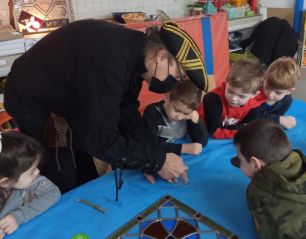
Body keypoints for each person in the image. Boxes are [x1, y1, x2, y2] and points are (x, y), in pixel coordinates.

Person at [4, 20, 209, 192]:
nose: (173, 84)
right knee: (61, 173)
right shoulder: (111, 62)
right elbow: (98, 138)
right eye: (178, 76)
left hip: (70, 94)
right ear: (162, 56)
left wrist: (153, 155)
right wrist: (156, 161)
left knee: (86, 167)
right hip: (32, 96)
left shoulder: (136, 53)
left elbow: (126, 112)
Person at [232, 119, 306, 239]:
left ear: (255, 163)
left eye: (240, 159)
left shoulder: (256, 191)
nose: (238, 162)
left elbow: (266, 233)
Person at [0, 132, 60, 238]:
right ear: (6, 182)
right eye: (31, 172)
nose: (37, 172)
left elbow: (52, 192)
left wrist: (18, 216)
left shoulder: (32, 182)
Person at [198, 59, 266, 139]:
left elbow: (249, 130)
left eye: (241, 96)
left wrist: (242, 130)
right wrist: (240, 129)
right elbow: (212, 130)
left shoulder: (254, 107)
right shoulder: (212, 99)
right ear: (226, 82)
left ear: (254, 95)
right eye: (230, 91)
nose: (234, 98)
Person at [143, 80, 208, 156]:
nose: (179, 117)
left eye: (185, 113)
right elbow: (149, 144)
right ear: (167, 97)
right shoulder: (152, 112)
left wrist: (195, 117)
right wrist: (182, 148)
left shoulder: (188, 114)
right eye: (177, 110)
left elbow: (202, 142)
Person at [243, 57, 300, 129]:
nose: (270, 95)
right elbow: (251, 117)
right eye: (267, 87)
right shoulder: (256, 91)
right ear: (264, 78)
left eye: (278, 92)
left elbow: (274, 119)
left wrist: (280, 120)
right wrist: (280, 120)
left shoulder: (287, 101)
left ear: (289, 91)